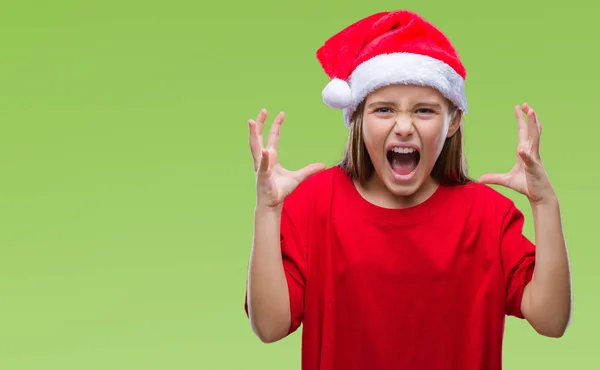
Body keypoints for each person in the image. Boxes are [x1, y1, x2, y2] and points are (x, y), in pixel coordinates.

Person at [243, 10, 572, 370]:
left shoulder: (487, 215)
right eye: (383, 109)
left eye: (424, 111)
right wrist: (268, 211)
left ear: (453, 120)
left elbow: (551, 320)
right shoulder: (315, 203)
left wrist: (545, 204)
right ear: (356, 119)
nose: (403, 126)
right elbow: (270, 326)